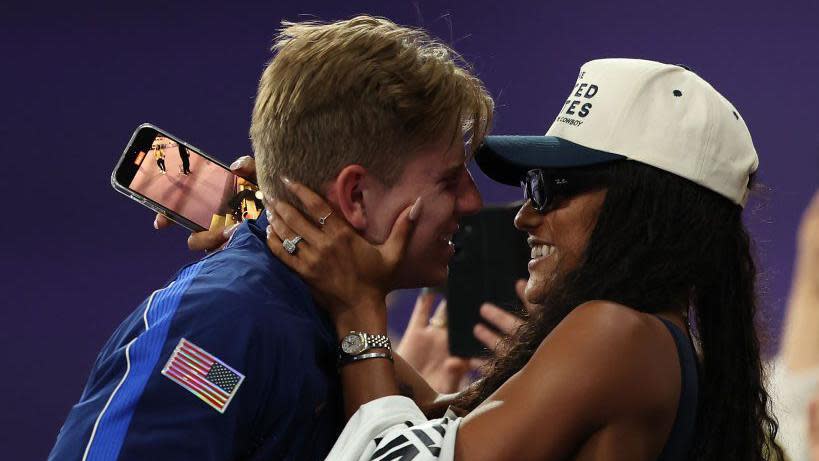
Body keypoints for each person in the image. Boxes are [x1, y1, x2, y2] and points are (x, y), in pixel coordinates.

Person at [265, 59, 784, 460]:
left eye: (550, 186)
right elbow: (425, 432)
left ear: (643, 210)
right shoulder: (650, 344)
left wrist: (359, 308)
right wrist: (315, 272)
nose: (524, 217)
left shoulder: (615, 333)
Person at [48, 16, 492, 460]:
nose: (472, 201)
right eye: (450, 180)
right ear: (356, 195)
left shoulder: (328, 311)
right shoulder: (220, 322)